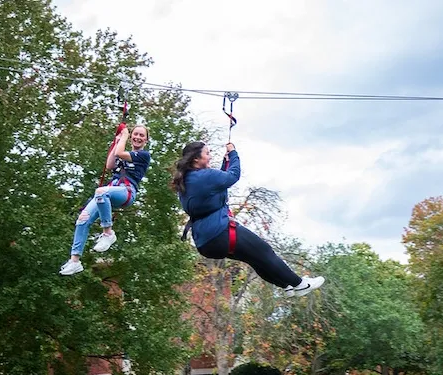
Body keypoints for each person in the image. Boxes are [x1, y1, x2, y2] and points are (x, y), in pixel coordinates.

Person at [172, 141, 324, 297]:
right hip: (220, 232)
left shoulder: (188, 180)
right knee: (264, 251)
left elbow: (219, 184)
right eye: (207, 154)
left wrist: (226, 162)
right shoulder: (205, 176)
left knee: (254, 258)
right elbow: (232, 176)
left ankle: (285, 284)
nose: (210, 157)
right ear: (196, 159)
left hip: (205, 242)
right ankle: (300, 284)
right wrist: (233, 154)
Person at [59, 125, 151, 275]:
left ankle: (108, 233)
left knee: (100, 192)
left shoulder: (143, 155)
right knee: (82, 219)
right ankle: (75, 261)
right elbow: (109, 165)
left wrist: (125, 135)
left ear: (146, 140)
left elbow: (120, 153)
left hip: (126, 192)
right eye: (135, 134)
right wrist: (118, 140)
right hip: (111, 189)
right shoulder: (124, 152)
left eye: (142, 135)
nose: (138, 137)